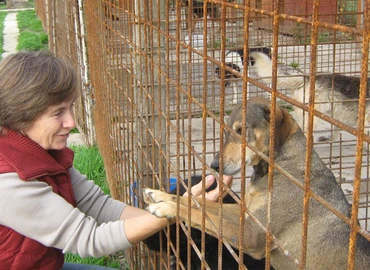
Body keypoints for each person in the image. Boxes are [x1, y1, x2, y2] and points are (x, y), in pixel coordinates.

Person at [0, 50, 233, 269]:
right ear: (23, 115)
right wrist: (179, 210)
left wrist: (174, 215)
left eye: (70, 108)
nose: (71, 122)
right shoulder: (9, 182)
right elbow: (89, 239)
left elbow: (97, 204)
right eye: (57, 113)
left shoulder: (41, 152)